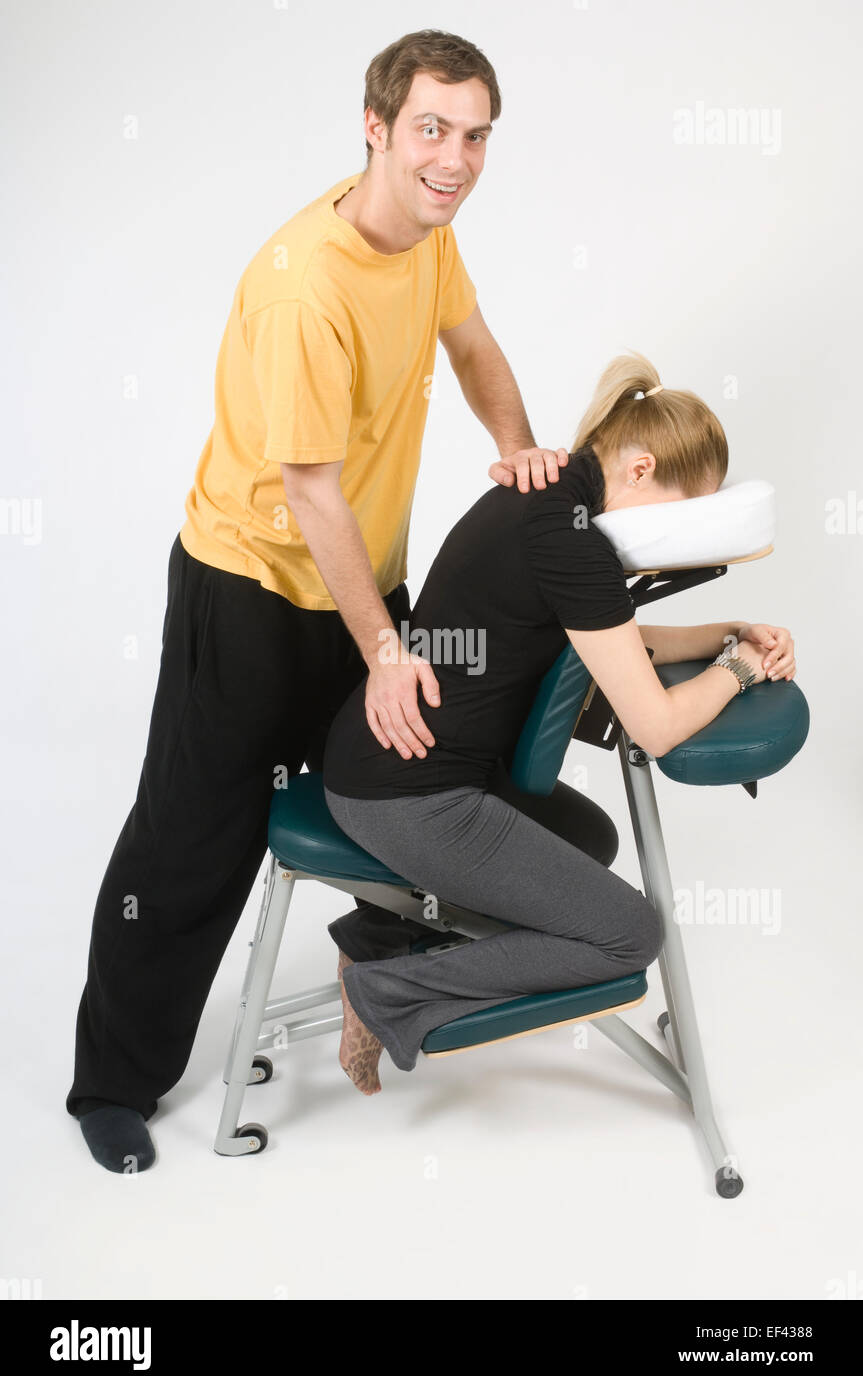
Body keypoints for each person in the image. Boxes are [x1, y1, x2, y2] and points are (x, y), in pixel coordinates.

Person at [66, 29, 572, 1173]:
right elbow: (308, 496)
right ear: (375, 129)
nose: (455, 158)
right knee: (192, 842)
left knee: (394, 792)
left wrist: (517, 449)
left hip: (353, 587)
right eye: (431, 131)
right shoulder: (307, 287)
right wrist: (385, 650)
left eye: (475, 134)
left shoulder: (427, 237)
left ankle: (372, 973)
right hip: (246, 586)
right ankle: (114, 1081)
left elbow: (474, 343)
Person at [322, 352, 797, 1093]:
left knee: (587, 839)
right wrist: (735, 672)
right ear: (639, 471)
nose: (679, 534)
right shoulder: (570, 538)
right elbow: (656, 726)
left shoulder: (554, 498)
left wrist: (727, 631)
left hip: (402, 767)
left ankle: (388, 936)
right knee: (629, 933)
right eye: (681, 509)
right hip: (409, 798)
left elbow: (615, 641)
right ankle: (384, 992)